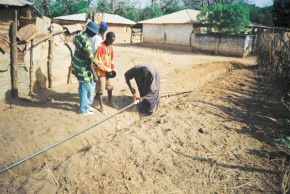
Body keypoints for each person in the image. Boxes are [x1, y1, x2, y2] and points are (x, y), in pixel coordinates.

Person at [72, 21, 99, 115]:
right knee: (86, 87)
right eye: (95, 32)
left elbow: (84, 53)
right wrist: (95, 74)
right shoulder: (87, 42)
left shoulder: (81, 35)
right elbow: (89, 61)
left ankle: (87, 105)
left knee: (86, 85)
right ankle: (83, 110)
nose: (95, 34)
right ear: (90, 31)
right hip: (82, 66)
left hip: (77, 63)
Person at [94, 32, 117, 114]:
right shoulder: (100, 47)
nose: (112, 43)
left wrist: (112, 68)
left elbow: (112, 59)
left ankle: (110, 102)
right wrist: (107, 69)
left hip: (108, 72)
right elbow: (96, 61)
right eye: (110, 41)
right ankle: (102, 107)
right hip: (101, 72)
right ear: (106, 38)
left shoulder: (111, 47)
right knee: (100, 90)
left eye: (113, 41)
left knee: (110, 87)